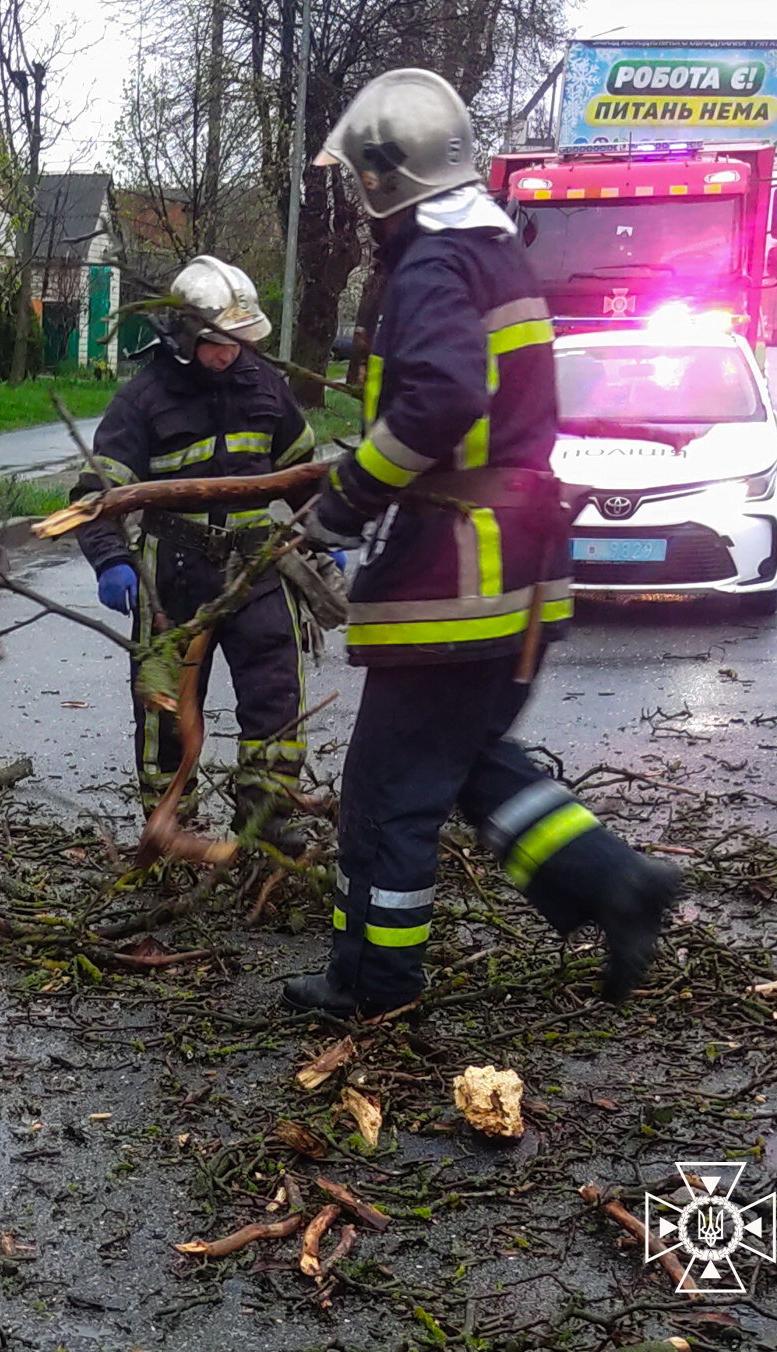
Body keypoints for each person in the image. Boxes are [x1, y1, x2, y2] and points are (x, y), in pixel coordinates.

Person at [282, 68, 679, 1020]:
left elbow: (442, 400)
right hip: (522, 573)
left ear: (383, 175)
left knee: (384, 797)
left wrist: (337, 508)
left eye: (356, 180)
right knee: (462, 764)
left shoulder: (429, 264)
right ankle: (616, 882)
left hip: (456, 574)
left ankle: (372, 983)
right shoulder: (493, 250)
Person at [73, 256, 318, 845]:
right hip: (173, 575)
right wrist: (111, 560)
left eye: (236, 341)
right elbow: (96, 493)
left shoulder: (266, 387)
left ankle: (267, 822)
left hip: (257, 566)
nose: (227, 353)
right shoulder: (144, 399)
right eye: (215, 342)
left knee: (276, 695)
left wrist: (324, 538)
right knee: (165, 714)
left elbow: (305, 475)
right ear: (184, 336)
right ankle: (168, 829)